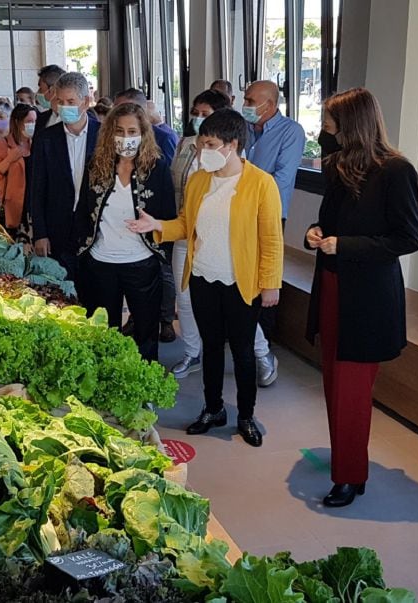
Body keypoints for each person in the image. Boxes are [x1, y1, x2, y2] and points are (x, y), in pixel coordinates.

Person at [128, 109, 284, 447]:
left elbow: (271, 239)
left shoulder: (260, 183)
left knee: (242, 351)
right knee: (211, 347)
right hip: (202, 277)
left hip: (242, 281)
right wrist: (157, 225)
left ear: (233, 144)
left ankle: (245, 414)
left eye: (210, 144)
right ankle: (213, 409)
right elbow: (186, 225)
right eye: (200, 144)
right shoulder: (199, 180)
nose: (202, 152)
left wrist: (271, 283)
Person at [304, 87, 418, 507]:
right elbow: (327, 222)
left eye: (329, 125)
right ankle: (350, 464)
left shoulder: (395, 171)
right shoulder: (339, 167)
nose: (322, 132)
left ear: (350, 126)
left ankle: (349, 475)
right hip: (334, 286)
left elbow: (407, 238)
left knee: (351, 390)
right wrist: (314, 234)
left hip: (367, 297)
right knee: (335, 385)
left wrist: (345, 247)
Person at [74, 103, 176, 361]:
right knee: (104, 331)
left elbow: (168, 215)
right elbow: (83, 211)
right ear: (110, 133)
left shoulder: (157, 168)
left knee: (146, 330)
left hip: (141, 262)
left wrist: (154, 231)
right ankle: (106, 382)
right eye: (119, 131)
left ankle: (146, 389)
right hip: (101, 261)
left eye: (132, 131)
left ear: (143, 133)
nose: (126, 137)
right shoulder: (95, 165)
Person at [243, 80, 305, 385]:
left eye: (251, 100)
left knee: (266, 277)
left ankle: (263, 348)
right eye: (246, 99)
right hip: (237, 217)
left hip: (268, 216)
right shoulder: (243, 129)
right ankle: (246, 339)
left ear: (270, 104)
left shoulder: (290, 132)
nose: (247, 105)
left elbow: (280, 179)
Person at [168, 89, 231, 379]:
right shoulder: (185, 144)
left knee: (232, 299)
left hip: (220, 236)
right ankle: (193, 352)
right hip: (183, 231)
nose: (198, 118)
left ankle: (260, 350)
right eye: (196, 112)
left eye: (205, 114)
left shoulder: (227, 153)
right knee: (184, 297)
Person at [28, 72, 100, 278]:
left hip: (95, 230)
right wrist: (39, 233)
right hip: (57, 228)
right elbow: (37, 188)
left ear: (85, 102)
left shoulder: (104, 136)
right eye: (60, 101)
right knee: (63, 290)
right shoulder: (46, 139)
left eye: (71, 101)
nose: (65, 107)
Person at [0, 104, 37, 231]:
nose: (33, 125)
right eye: (29, 122)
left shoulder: (36, 144)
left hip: (34, 204)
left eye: (35, 121)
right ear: (17, 122)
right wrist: (8, 160)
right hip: (12, 206)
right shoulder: (1, 144)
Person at [113, 89, 178, 161]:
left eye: (124, 110)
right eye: (114, 109)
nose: (115, 114)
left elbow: (171, 170)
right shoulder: (109, 135)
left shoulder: (164, 138)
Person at [36, 65, 67, 130]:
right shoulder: (41, 119)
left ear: (52, 89)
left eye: (40, 88)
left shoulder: (74, 120)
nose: (38, 92)